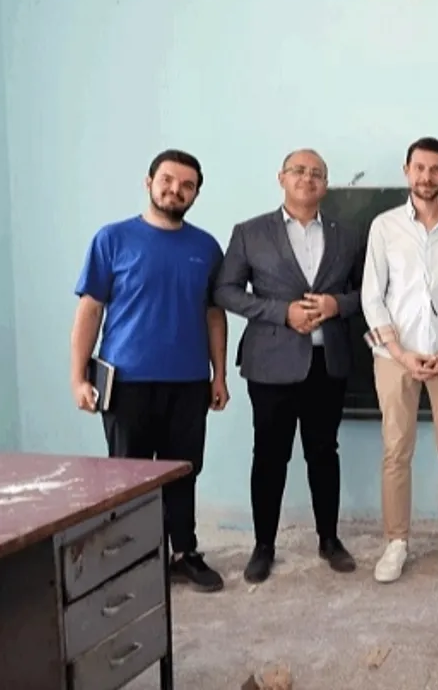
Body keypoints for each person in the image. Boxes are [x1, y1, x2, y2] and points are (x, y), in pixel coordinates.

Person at [69, 148, 230, 593]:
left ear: (195, 194)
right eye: (168, 181)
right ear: (149, 182)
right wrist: (78, 378)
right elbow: (90, 310)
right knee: (128, 478)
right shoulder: (112, 239)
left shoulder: (206, 248)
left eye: (187, 185)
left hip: (189, 382)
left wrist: (218, 375)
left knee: (184, 471)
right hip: (126, 383)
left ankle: (184, 553)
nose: (176, 190)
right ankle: (133, 560)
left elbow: (214, 315)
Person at [214, 148, 363, 583]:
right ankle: (263, 546)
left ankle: (329, 539)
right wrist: (282, 313)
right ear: (281, 178)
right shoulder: (250, 232)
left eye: (317, 173)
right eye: (298, 170)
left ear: (326, 186)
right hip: (271, 364)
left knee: (324, 453)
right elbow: (225, 291)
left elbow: (367, 294)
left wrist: (337, 305)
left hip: (327, 362)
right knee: (269, 455)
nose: (307, 178)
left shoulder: (348, 235)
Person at [362, 136, 438, 583]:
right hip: (395, 356)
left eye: (436, 169)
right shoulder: (385, 226)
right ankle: (396, 542)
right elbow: (372, 295)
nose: (427, 177)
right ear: (406, 171)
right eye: (419, 168)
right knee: (396, 451)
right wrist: (400, 352)